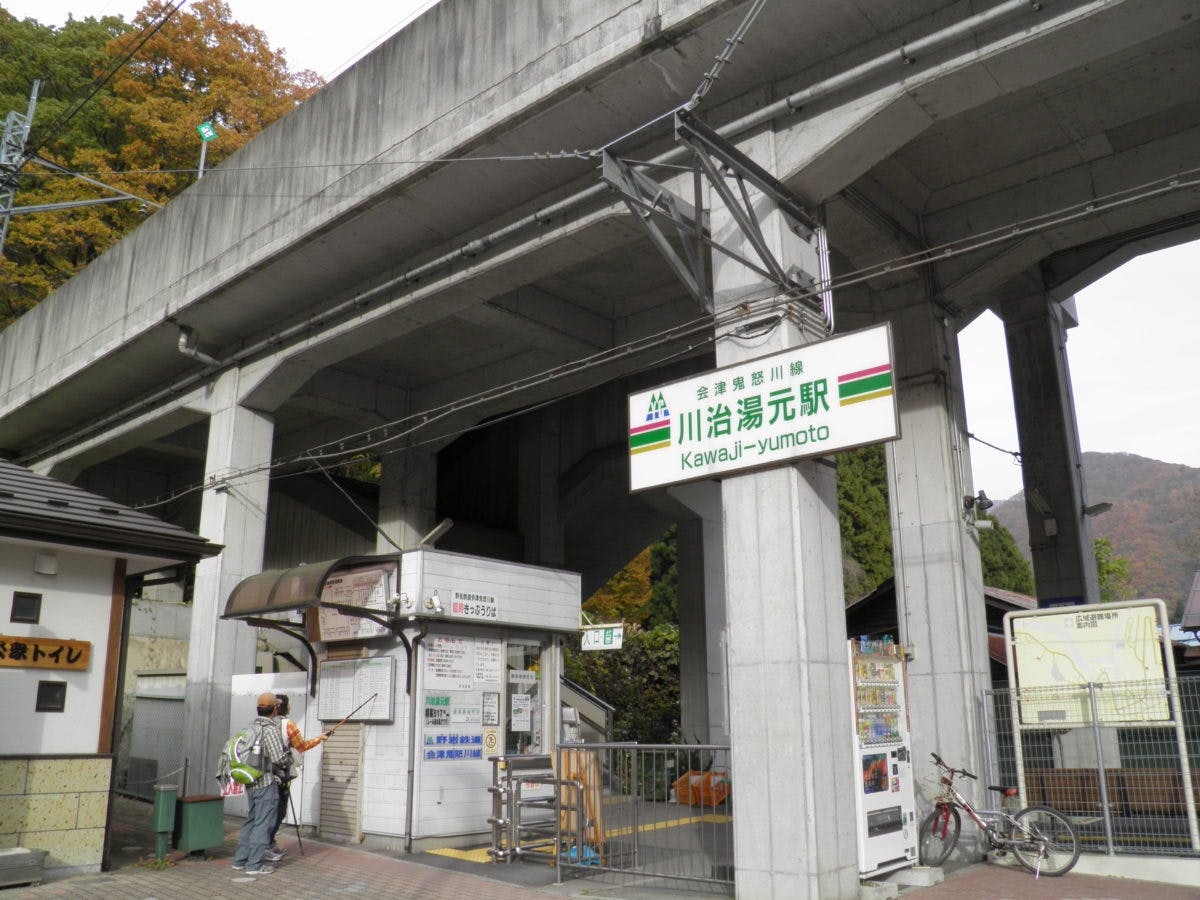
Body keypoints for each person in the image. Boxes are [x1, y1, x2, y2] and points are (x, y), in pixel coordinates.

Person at [231, 692, 291, 876]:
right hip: (266, 783)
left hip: (251, 782)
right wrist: (288, 757)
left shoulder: (252, 726)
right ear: (274, 709)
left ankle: (240, 861)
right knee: (263, 825)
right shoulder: (270, 729)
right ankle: (254, 865)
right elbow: (278, 758)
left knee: (251, 822)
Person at [265, 693, 328, 859]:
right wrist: (319, 739)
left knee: (265, 810)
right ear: (285, 707)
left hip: (263, 773)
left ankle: (264, 844)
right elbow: (301, 745)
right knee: (279, 810)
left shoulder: (265, 723)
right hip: (281, 774)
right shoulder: (288, 725)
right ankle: (267, 844)